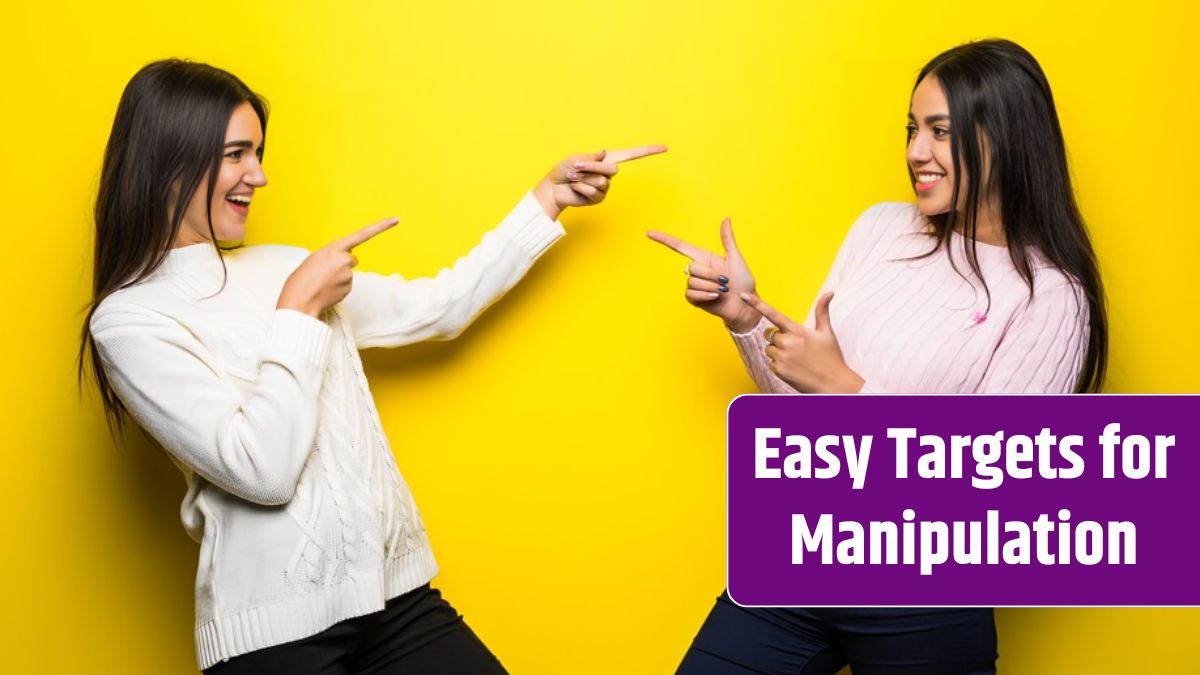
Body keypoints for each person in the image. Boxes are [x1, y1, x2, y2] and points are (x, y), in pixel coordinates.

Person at [77, 58, 664, 674]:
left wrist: (548, 199)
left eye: (258, 153)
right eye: (236, 155)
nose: (260, 175)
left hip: (395, 603)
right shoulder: (130, 320)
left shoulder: (285, 263)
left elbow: (439, 307)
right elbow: (260, 468)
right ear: (169, 162)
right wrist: (299, 308)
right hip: (277, 642)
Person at [649, 39, 1106, 674]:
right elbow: (802, 396)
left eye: (942, 132)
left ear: (1007, 140)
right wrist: (746, 318)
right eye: (914, 129)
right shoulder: (883, 228)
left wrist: (846, 390)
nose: (917, 152)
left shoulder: (1051, 298)